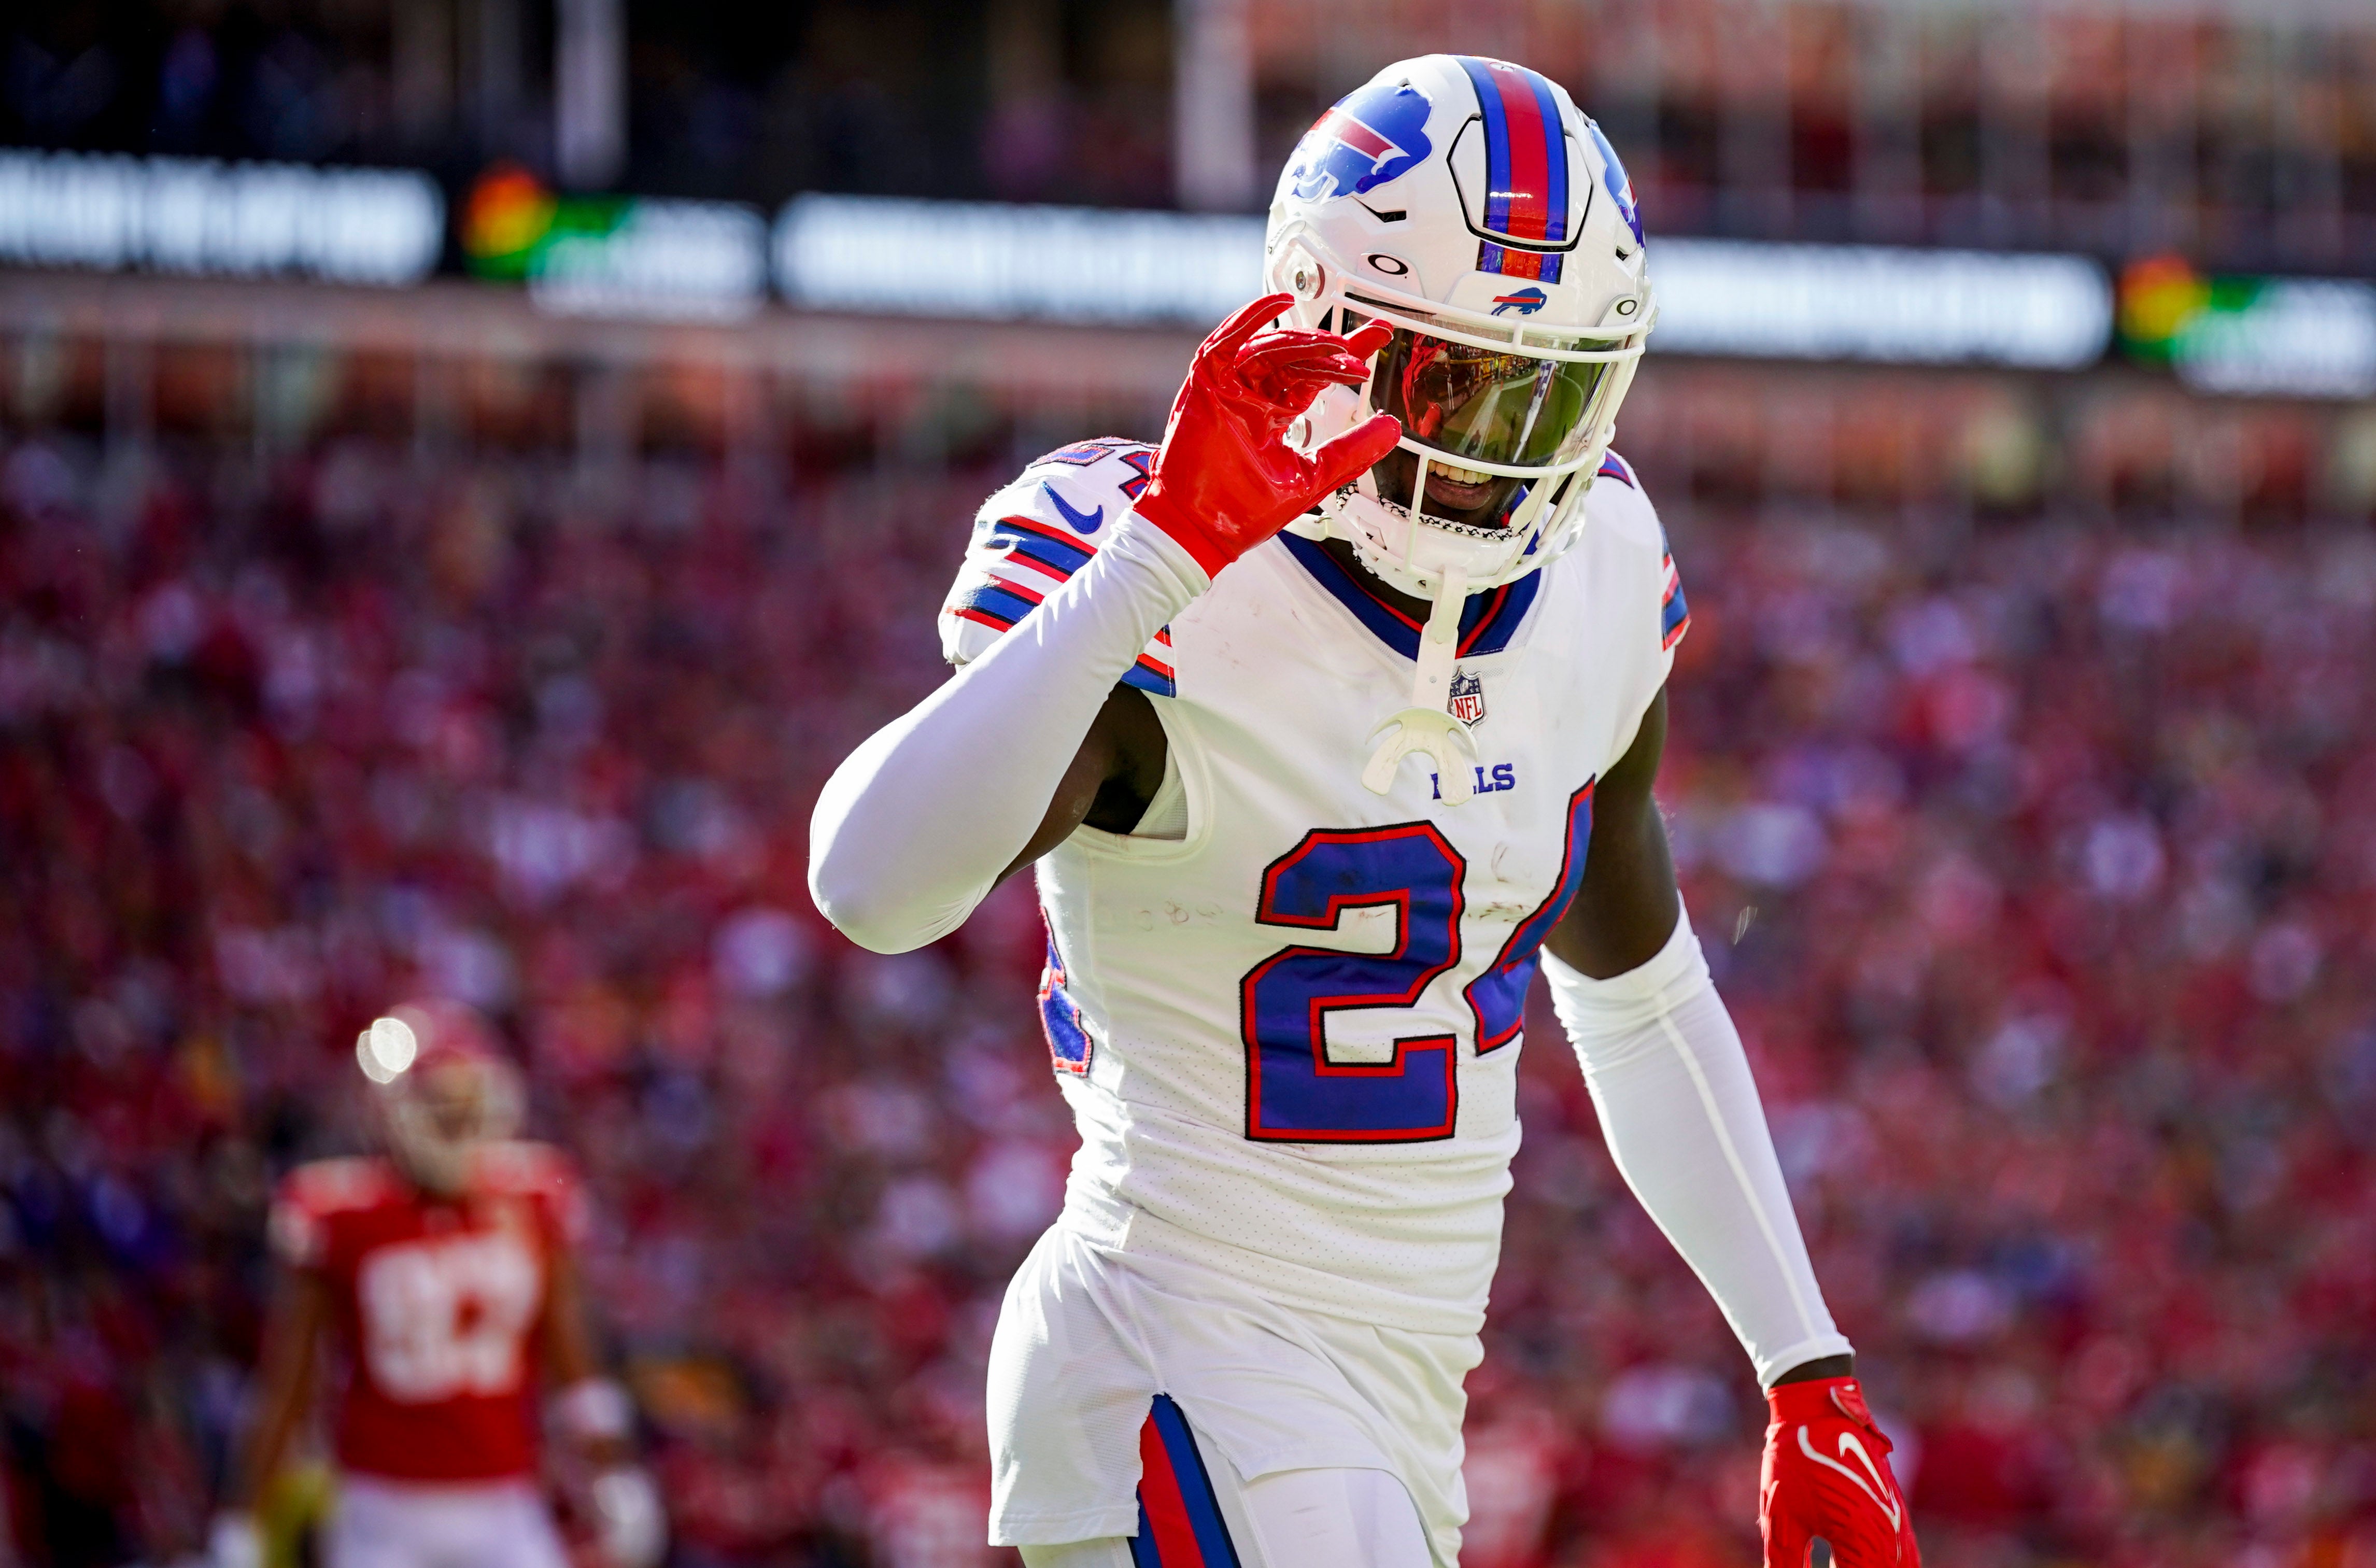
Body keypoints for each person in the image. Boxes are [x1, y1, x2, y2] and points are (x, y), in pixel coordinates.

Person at [810, 52, 1919, 1568]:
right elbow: (871, 884)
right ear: (1317, 331)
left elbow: (1642, 995)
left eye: (1545, 393)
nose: (1494, 451)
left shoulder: (1597, 566)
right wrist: (1156, 556)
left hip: (1395, 1393)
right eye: (1448, 377)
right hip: (1174, 1354)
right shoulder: (1149, 566)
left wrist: (1806, 1368)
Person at [208, 1000, 664, 1568]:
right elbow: (290, 1382)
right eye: (440, 1106)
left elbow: (569, 1349)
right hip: (382, 1507)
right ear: (393, 1108)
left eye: (465, 1104)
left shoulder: (533, 1198)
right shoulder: (340, 1213)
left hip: (505, 1499)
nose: (456, 1122)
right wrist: (244, 1514)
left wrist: (613, 1469)